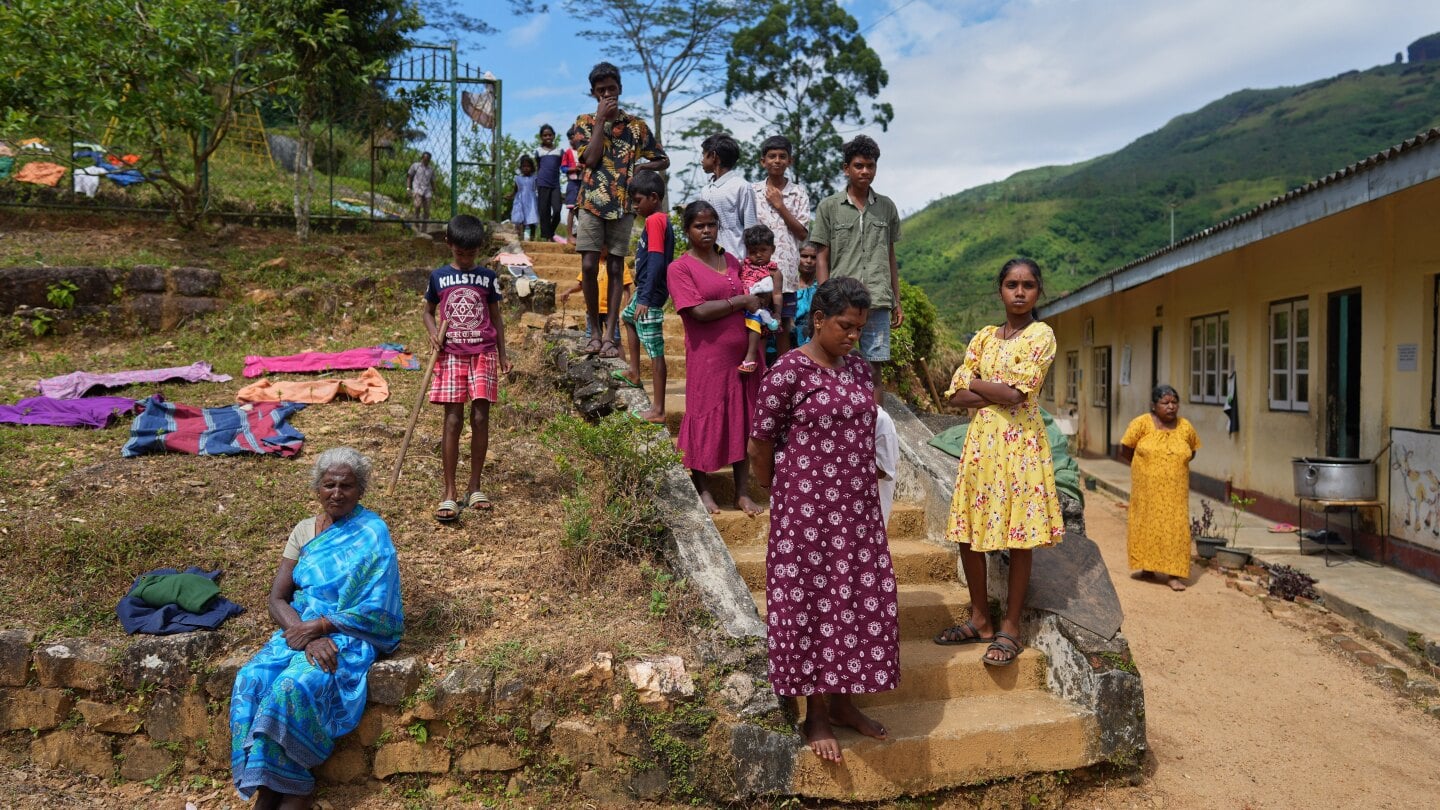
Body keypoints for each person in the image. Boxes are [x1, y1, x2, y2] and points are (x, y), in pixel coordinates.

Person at [748, 277, 898, 762]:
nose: (853, 336)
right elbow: (761, 442)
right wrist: (780, 495)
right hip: (806, 515)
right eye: (844, 326)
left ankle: (844, 703)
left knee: (853, 600)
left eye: (858, 327)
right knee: (814, 605)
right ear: (818, 320)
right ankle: (814, 714)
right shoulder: (789, 370)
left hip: (856, 512)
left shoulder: (857, 369)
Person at [230, 447, 403, 808]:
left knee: (292, 687)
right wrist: (307, 635)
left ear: (360, 490)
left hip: (349, 637)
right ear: (317, 488)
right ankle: (267, 788)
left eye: (346, 486)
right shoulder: (304, 531)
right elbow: (277, 598)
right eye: (329, 485)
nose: (337, 493)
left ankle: (294, 788)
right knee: (250, 679)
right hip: (302, 634)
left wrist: (323, 626)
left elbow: (378, 608)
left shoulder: (372, 532)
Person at [933, 258, 1063, 666]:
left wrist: (972, 381)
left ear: (1038, 291)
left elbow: (1017, 396)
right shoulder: (984, 338)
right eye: (1011, 284)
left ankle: (1010, 626)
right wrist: (992, 389)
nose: (1019, 292)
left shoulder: (1042, 335)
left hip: (1021, 445)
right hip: (981, 446)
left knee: (1019, 534)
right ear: (1000, 290)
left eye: (1027, 285)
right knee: (968, 531)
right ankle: (979, 620)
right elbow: (954, 397)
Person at [667, 200, 765, 516]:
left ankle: (741, 492)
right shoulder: (680, 268)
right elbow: (698, 311)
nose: (706, 231)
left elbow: (753, 298)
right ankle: (704, 489)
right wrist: (741, 301)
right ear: (687, 230)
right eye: (699, 226)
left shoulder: (732, 260)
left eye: (711, 225)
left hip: (744, 356)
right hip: (707, 357)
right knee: (703, 415)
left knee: (743, 420)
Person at [573, 61, 670, 358]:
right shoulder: (584, 123)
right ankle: (594, 328)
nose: (607, 95)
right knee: (589, 265)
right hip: (591, 201)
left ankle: (611, 335)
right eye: (601, 91)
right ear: (593, 93)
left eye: (611, 89)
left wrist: (643, 165)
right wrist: (600, 121)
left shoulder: (637, 127)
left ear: (620, 89)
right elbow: (589, 160)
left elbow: (662, 159)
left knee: (616, 267)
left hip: (624, 204)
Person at [423, 214, 511, 523]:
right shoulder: (438, 277)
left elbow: (496, 317)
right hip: (450, 356)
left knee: (480, 416)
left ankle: (475, 487)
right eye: (460, 252)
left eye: (471, 253)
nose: (465, 258)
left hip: (483, 354)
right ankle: (449, 492)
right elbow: (428, 312)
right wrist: (433, 333)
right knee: (452, 420)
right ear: (449, 245)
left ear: (479, 249)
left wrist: (502, 354)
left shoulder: (487, 277)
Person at [810, 135, 902, 402]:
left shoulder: (886, 207)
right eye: (859, 165)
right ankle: (841, 419)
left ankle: (874, 426)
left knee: (875, 366)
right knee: (838, 361)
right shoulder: (829, 207)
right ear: (846, 168)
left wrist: (897, 300)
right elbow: (822, 257)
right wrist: (824, 298)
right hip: (841, 302)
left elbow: (890, 256)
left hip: (878, 298)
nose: (865, 171)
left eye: (870, 166)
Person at [1120, 384, 1201, 591]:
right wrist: (1145, 469)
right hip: (1146, 490)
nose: (1171, 407)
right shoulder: (1141, 424)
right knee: (1146, 525)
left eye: (1174, 402)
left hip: (1175, 492)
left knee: (1176, 529)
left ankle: (1174, 575)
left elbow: (1192, 452)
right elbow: (1126, 448)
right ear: (1154, 405)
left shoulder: (1185, 427)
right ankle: (1147, 569)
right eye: (1165, 403)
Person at [616, 169, 674, 423]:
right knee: (627, 317)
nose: (635, 206)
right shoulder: (656, 220)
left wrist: (645, 298)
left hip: (651, 295)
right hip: (646, 290)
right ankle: (634, 371)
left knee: (655, 350)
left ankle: (659, 410)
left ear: (653, 197)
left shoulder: (655, 220)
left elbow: (657, 261)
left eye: (638, 201)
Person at [751, 135, 811, 356]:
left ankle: (782, 376)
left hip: (786, 272)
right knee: (756, 323)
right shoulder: (753, 191)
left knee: (784, 326)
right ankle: (758, 377)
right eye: (772, 156)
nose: (777, 160)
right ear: (763, 161)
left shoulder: (798, 192)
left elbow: (803, 233)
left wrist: (780, 206)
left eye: (782, 156)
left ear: (790, 161)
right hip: (757, 272)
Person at [698, 133, 756, 260]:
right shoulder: (705, 190)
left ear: (713, 156)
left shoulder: (741, 186)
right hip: (710, 262)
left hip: (737, 261)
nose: (702, 160)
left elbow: (751, 230)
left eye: (703, 154)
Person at [737, 224, 783, 374]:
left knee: (760, 348)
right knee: (740, 346)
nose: (758, 255)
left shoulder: (774, 272)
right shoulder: (742, 266)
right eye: (753, 251)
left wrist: (777, 313)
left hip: (761, 314)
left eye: (763, 250)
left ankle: (761, 374)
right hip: (740, 313)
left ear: (772, 249)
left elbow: (776, 294)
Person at [560, 263, 631, 346]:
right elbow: (582, 284)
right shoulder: (591, 261)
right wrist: (569, 290)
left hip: (611, 311)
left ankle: (618, 357)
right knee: (592, 339)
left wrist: (626, 309)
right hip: (593, 310)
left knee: (615, 341)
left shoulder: (619, 263)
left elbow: (626, 288)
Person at [534, 124, 565, 241]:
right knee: (544, 210)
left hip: (555, 184)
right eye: (545, 135)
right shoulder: (538, 151)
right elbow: (538, 167)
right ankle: (547, 237)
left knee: (557, 210)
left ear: (554, 136)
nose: (547, 137)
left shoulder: (559, 151)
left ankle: (550, 232)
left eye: (550, 135)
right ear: (541, 137)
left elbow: (562, 166)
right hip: (542, 183)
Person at [793, 241, 819, 347]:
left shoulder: (822, 287)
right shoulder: (788, 285)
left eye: (813, 257)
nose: (809, 261)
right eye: (804, 256)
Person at [509, 155, 540, 242]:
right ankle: (520, 237)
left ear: (532, 168)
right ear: (521, 168)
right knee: (520, 219)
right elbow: (515, 190)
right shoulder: (518, 178)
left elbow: (538, 188)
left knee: (532, 219)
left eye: (528, 166)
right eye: (524, 166)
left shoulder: (534, 178)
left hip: (531, 202)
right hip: (520, 201)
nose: (526, 168)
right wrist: (511, 195)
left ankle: (532, 237)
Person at [562, 126, 584, 245]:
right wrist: (574, 169)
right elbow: (563, 168)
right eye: (570, 138)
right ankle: (569, 235)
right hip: (572, 183)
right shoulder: (568, 152)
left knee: (583, 209)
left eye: (574, 137)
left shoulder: (584, 150)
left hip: (584, 182)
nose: (572, 140)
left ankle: (582, 234)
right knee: (571, 208)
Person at [406, 151, 436, 228]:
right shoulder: (415, 166)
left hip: (427, 190)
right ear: (422, 158)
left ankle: (424, 229)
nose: (425, 161)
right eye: (424, 159)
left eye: (427, 160)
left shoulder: (431, 170)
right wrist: (408, 188)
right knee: (417, 205)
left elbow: (432, 182)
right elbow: (409, 177)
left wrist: (435, 193)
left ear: (429, 160)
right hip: (417, 188)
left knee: (427, 211)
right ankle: (416, 224)